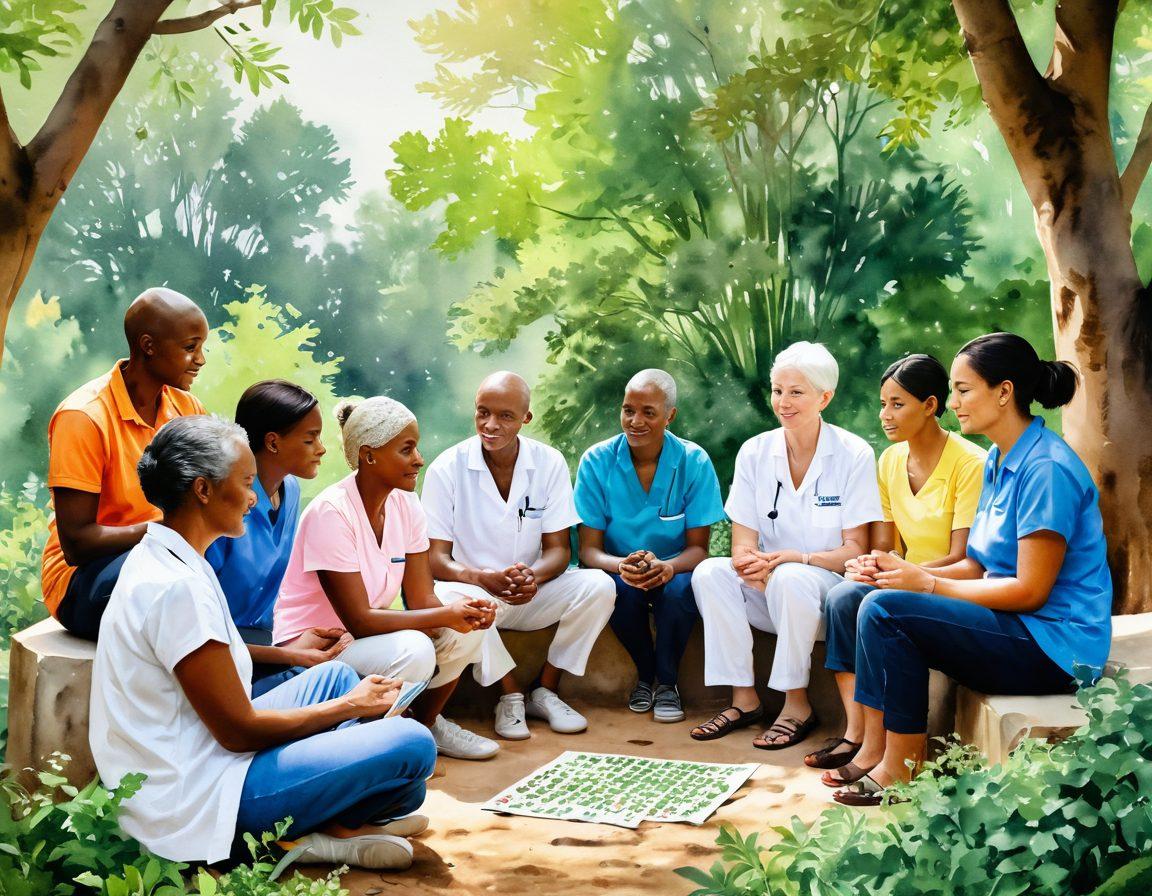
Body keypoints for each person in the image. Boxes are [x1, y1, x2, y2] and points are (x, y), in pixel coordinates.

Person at [90, 415, 436, 871]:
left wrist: (339, 696)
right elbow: (238, 732)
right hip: (194, 798)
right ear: (203, 489)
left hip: (208, 754)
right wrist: (349, 708)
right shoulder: (176, 588)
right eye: (247, 481)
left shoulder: (173, 555)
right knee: (412, 745)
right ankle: (300, 838)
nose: (255, 496)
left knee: (335, 676)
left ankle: (324, 825)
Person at [833, 333, 1112, 807]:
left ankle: (903, 768)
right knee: (869, 597)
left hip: (1055, 649)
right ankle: (880, 749)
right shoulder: (1003, 458)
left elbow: (1031, 591)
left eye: (964, 390)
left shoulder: (1046, 469)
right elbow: (976, 564)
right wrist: (895, 569)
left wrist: (928, 584)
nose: (954, 403)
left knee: (887, 612)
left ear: (1003, 392)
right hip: (1015, 627)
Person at [274, 396, 503, 760]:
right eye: (407, 449)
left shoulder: (406, 504)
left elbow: (422, 597)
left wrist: (464, 612)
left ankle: (424, 727)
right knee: (414, 650)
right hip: (317, 647)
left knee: (473, 627)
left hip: (365, 638)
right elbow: (360, 621)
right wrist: (445, 615)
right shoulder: (331, 513)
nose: (419, 459)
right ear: (369, 455)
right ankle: (375, 751)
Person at [690, 342, 882, 749]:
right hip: (767, 592)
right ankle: (744, 699)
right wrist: (751, 567)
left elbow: (854, 551)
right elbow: (743, 544)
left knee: (793, 577)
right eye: (778, 390)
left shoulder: (854, 454)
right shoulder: (754, 452)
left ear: (824, 397)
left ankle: (797, 705)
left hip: (822, 597)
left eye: (796, 392)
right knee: (710, 572)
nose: (783, 402)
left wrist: (795, 559)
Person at [809, 355, 985, 785]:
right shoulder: (889, 460)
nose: (885, 415)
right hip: (902, 575)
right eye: (882, 404)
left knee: (871, 600)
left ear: (929, 405)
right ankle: (863, 735)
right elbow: (886, 544)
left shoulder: (970, 462)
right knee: (843, 596)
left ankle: (880, 747)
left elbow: (964, 556)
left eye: (897, 404)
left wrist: (899, 573)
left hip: (947, 581)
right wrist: (872, 564)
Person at [423, 371, 615, 739]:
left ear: (526, 418)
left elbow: (560, 550)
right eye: (482, 413)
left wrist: (532, 576)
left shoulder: (549, 463)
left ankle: (545, 690)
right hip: (473, 591)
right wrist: (481, 578)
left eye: (505, 416)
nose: (490, 425)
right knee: (454, 599)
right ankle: (510, 694)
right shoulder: (446, 468)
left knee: (599, 585)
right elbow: (436, 560)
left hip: (529, 591)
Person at [43, 287, 209, 640]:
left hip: (166, 555)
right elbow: (77, 544)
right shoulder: (84, 417)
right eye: (190, 347)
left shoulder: (187, 409)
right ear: (149, 346)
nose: (201, 359)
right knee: (176, 587)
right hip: (87, 578)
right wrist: (169, 529)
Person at [575, 369, 725, 723]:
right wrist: (622, 565)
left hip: (675, 569)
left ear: (670, 415)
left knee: (678, 591)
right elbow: (588, 551)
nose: (635, 421)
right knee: (620, 593)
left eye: (648, 412)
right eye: (628, 410)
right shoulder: (596, 462)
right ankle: (647, 675)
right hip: (616, 569)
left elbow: (699, 550)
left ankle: (668, 683)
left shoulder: (693, 461)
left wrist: (668, 566)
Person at [206, 380, 350, 697]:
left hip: (264, 645)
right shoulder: (223, 505)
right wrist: (293, 655)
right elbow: (203, 636)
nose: (322, 449)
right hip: (217, 657)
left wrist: (295, 643)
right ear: (273, 443)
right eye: (311, 439)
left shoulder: (291, 491)